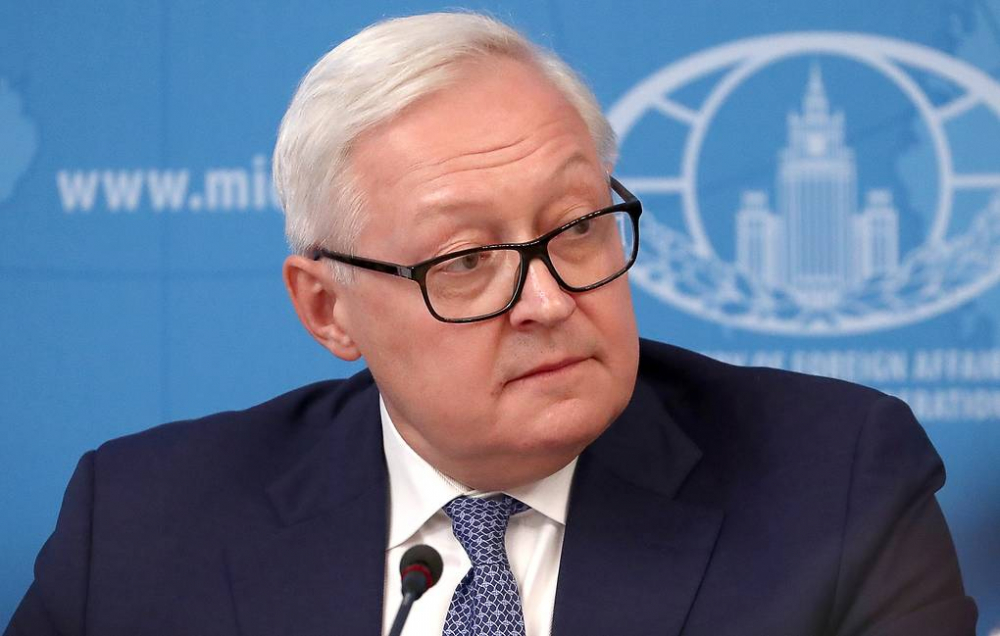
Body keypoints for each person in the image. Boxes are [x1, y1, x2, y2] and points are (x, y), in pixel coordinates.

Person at [5, 11, 977, 636]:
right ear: (328, 308)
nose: (548, 301)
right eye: (465, 261)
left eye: (577, 227)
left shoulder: (834, 488)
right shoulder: (140, 525)